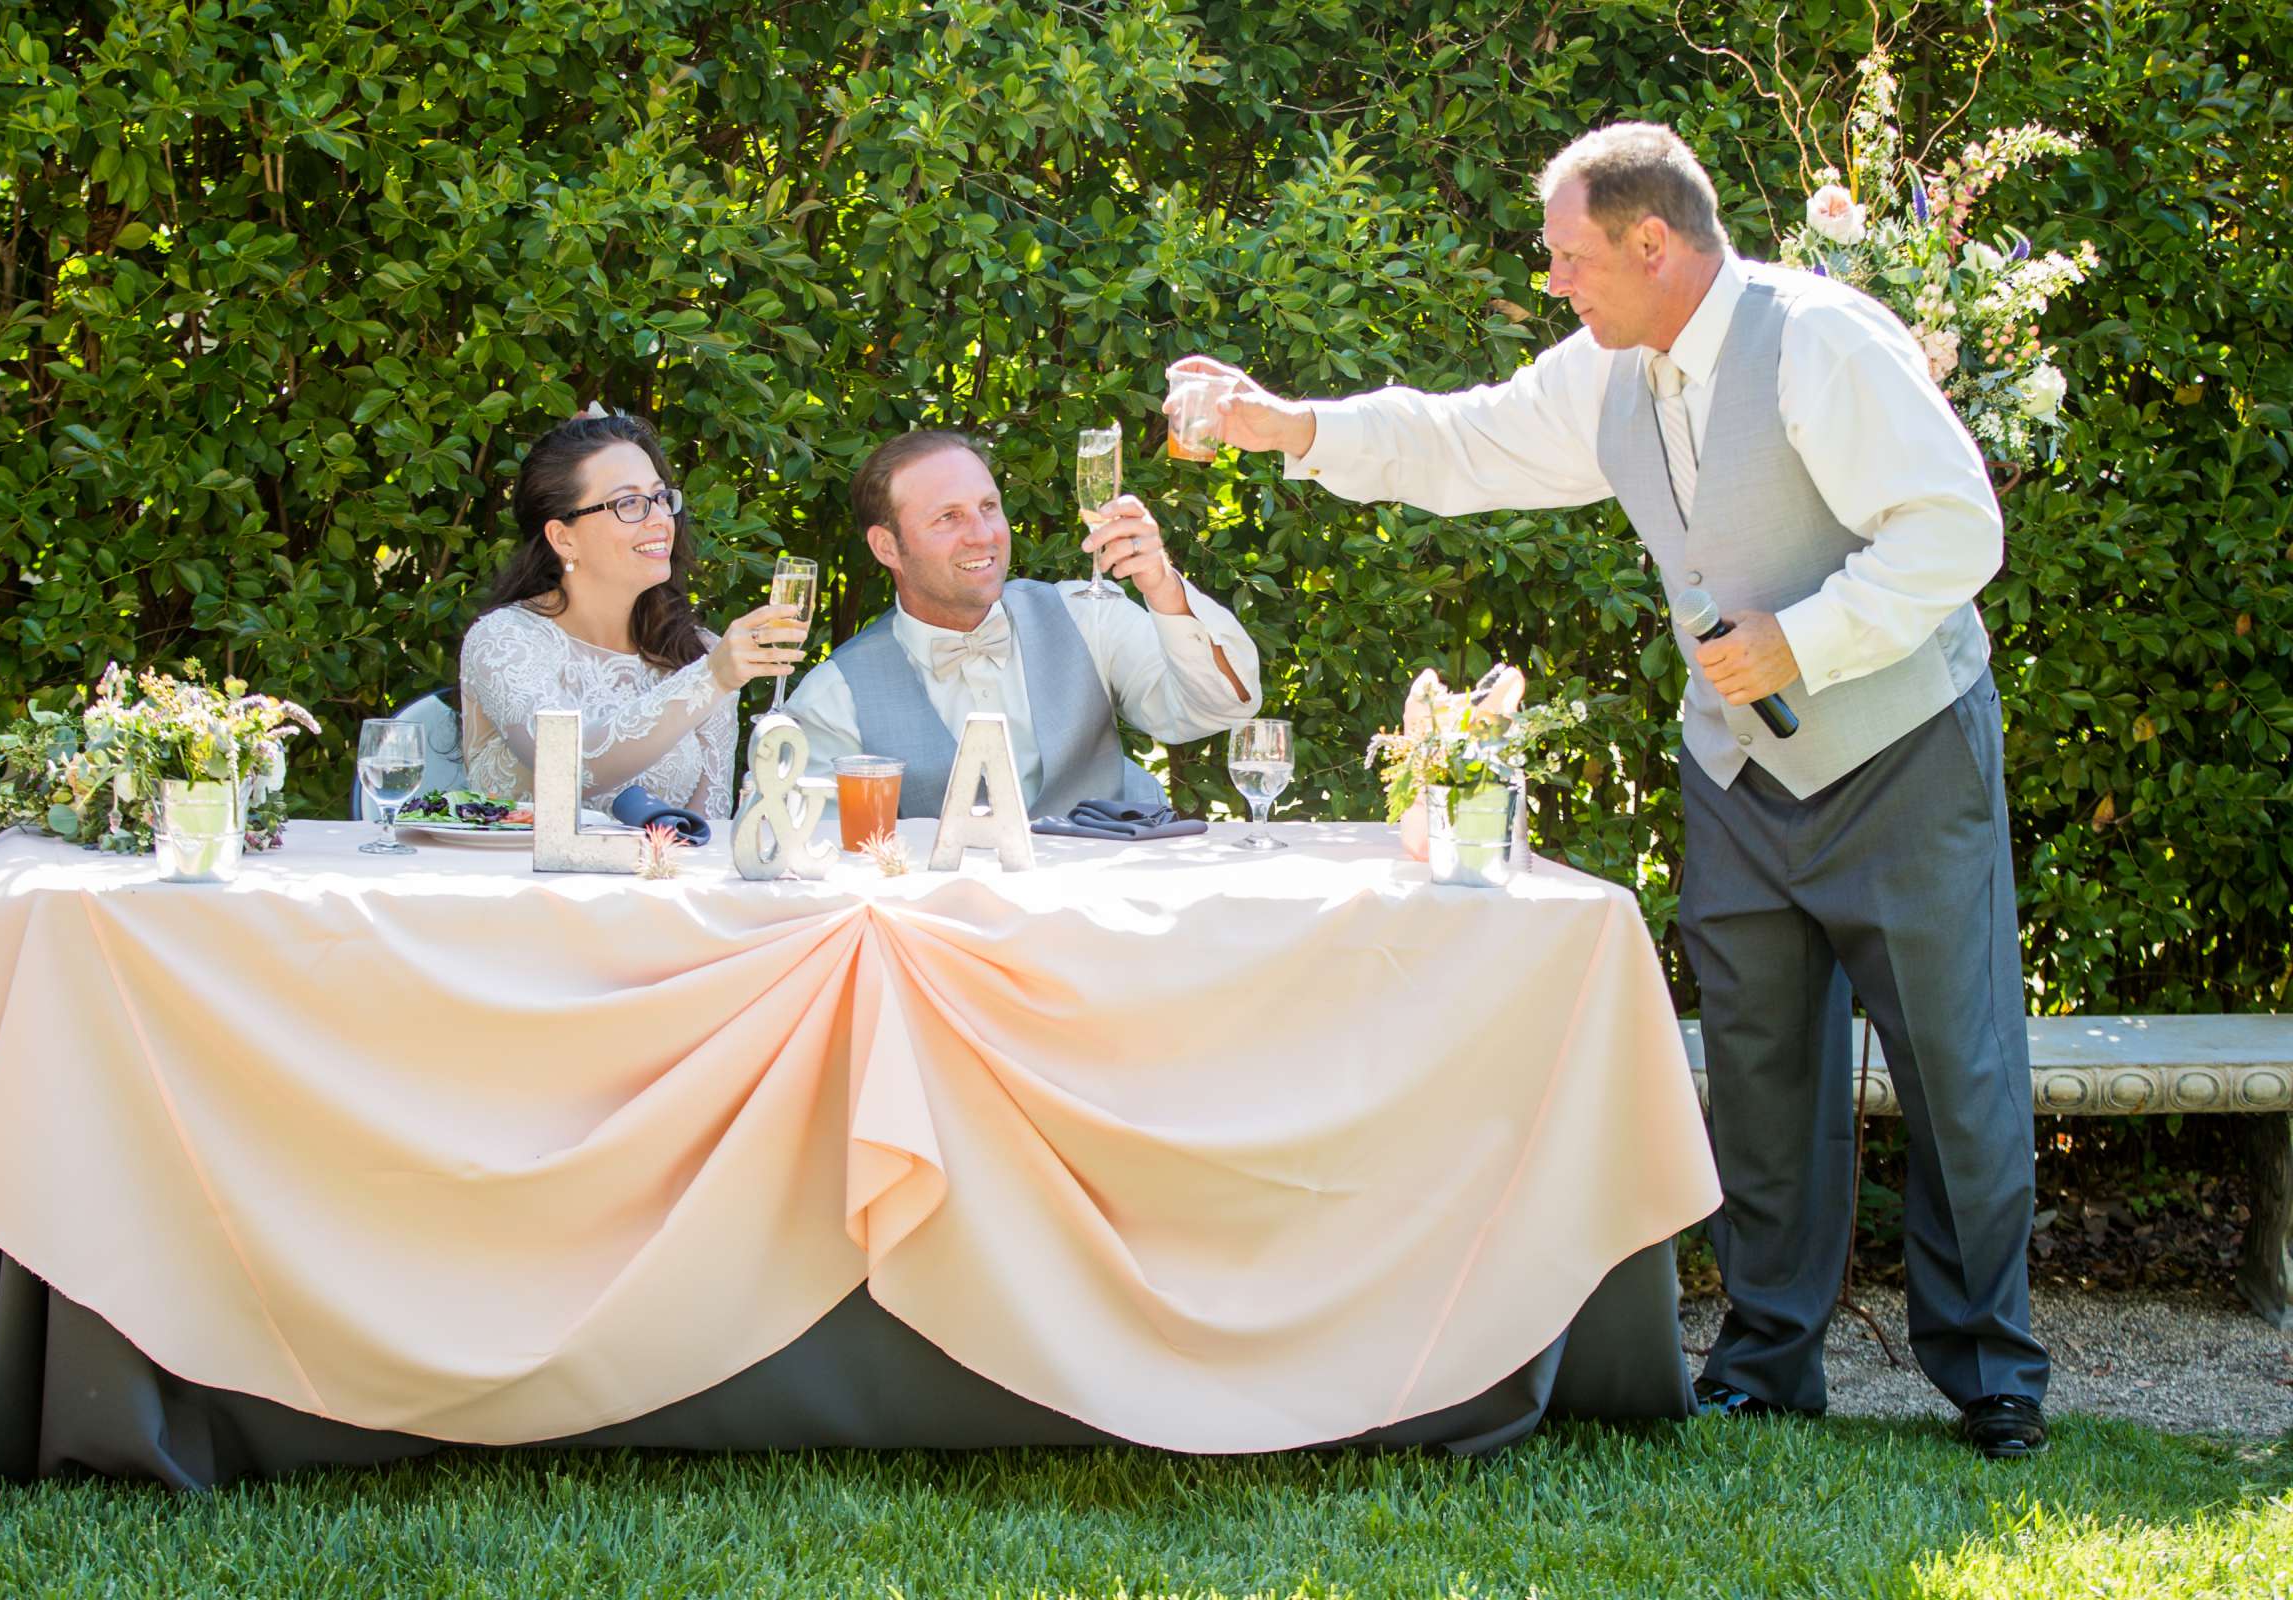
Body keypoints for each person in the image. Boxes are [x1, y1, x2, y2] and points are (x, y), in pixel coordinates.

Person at [1179, 121, 2048, 1459]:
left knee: (1957, 1067)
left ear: (1656, 244)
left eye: (1572, 258)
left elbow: (1955, 530)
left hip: (1903, 753)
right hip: (1737, 771)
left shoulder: (1822, 338)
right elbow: (1465, 444)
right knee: (1758, 1073)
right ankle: (1768, 1360)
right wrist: (1288, 425)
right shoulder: (1609, 370)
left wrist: (1804, 641)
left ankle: (1991, 1374)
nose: (1556, 283)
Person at [783, 429, 1262, 818]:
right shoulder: (836, 696)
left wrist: (1164, 588)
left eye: (988, 507)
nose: (983, 535)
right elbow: (819, 852)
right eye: (949, 517)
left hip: (1109, 910)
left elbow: (1219, 710)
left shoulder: (1086, 616)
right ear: (887, 548)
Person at [459, 411, 805, 817]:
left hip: (659, 877)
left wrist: (711, 676)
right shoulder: (504, 641)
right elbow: (568, 768)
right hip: (517, 878)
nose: (661, 519)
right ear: (562, 537)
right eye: (630, 504)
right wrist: (710, 679)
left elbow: (706, 823)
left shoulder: (697, 652)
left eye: (661, 498)